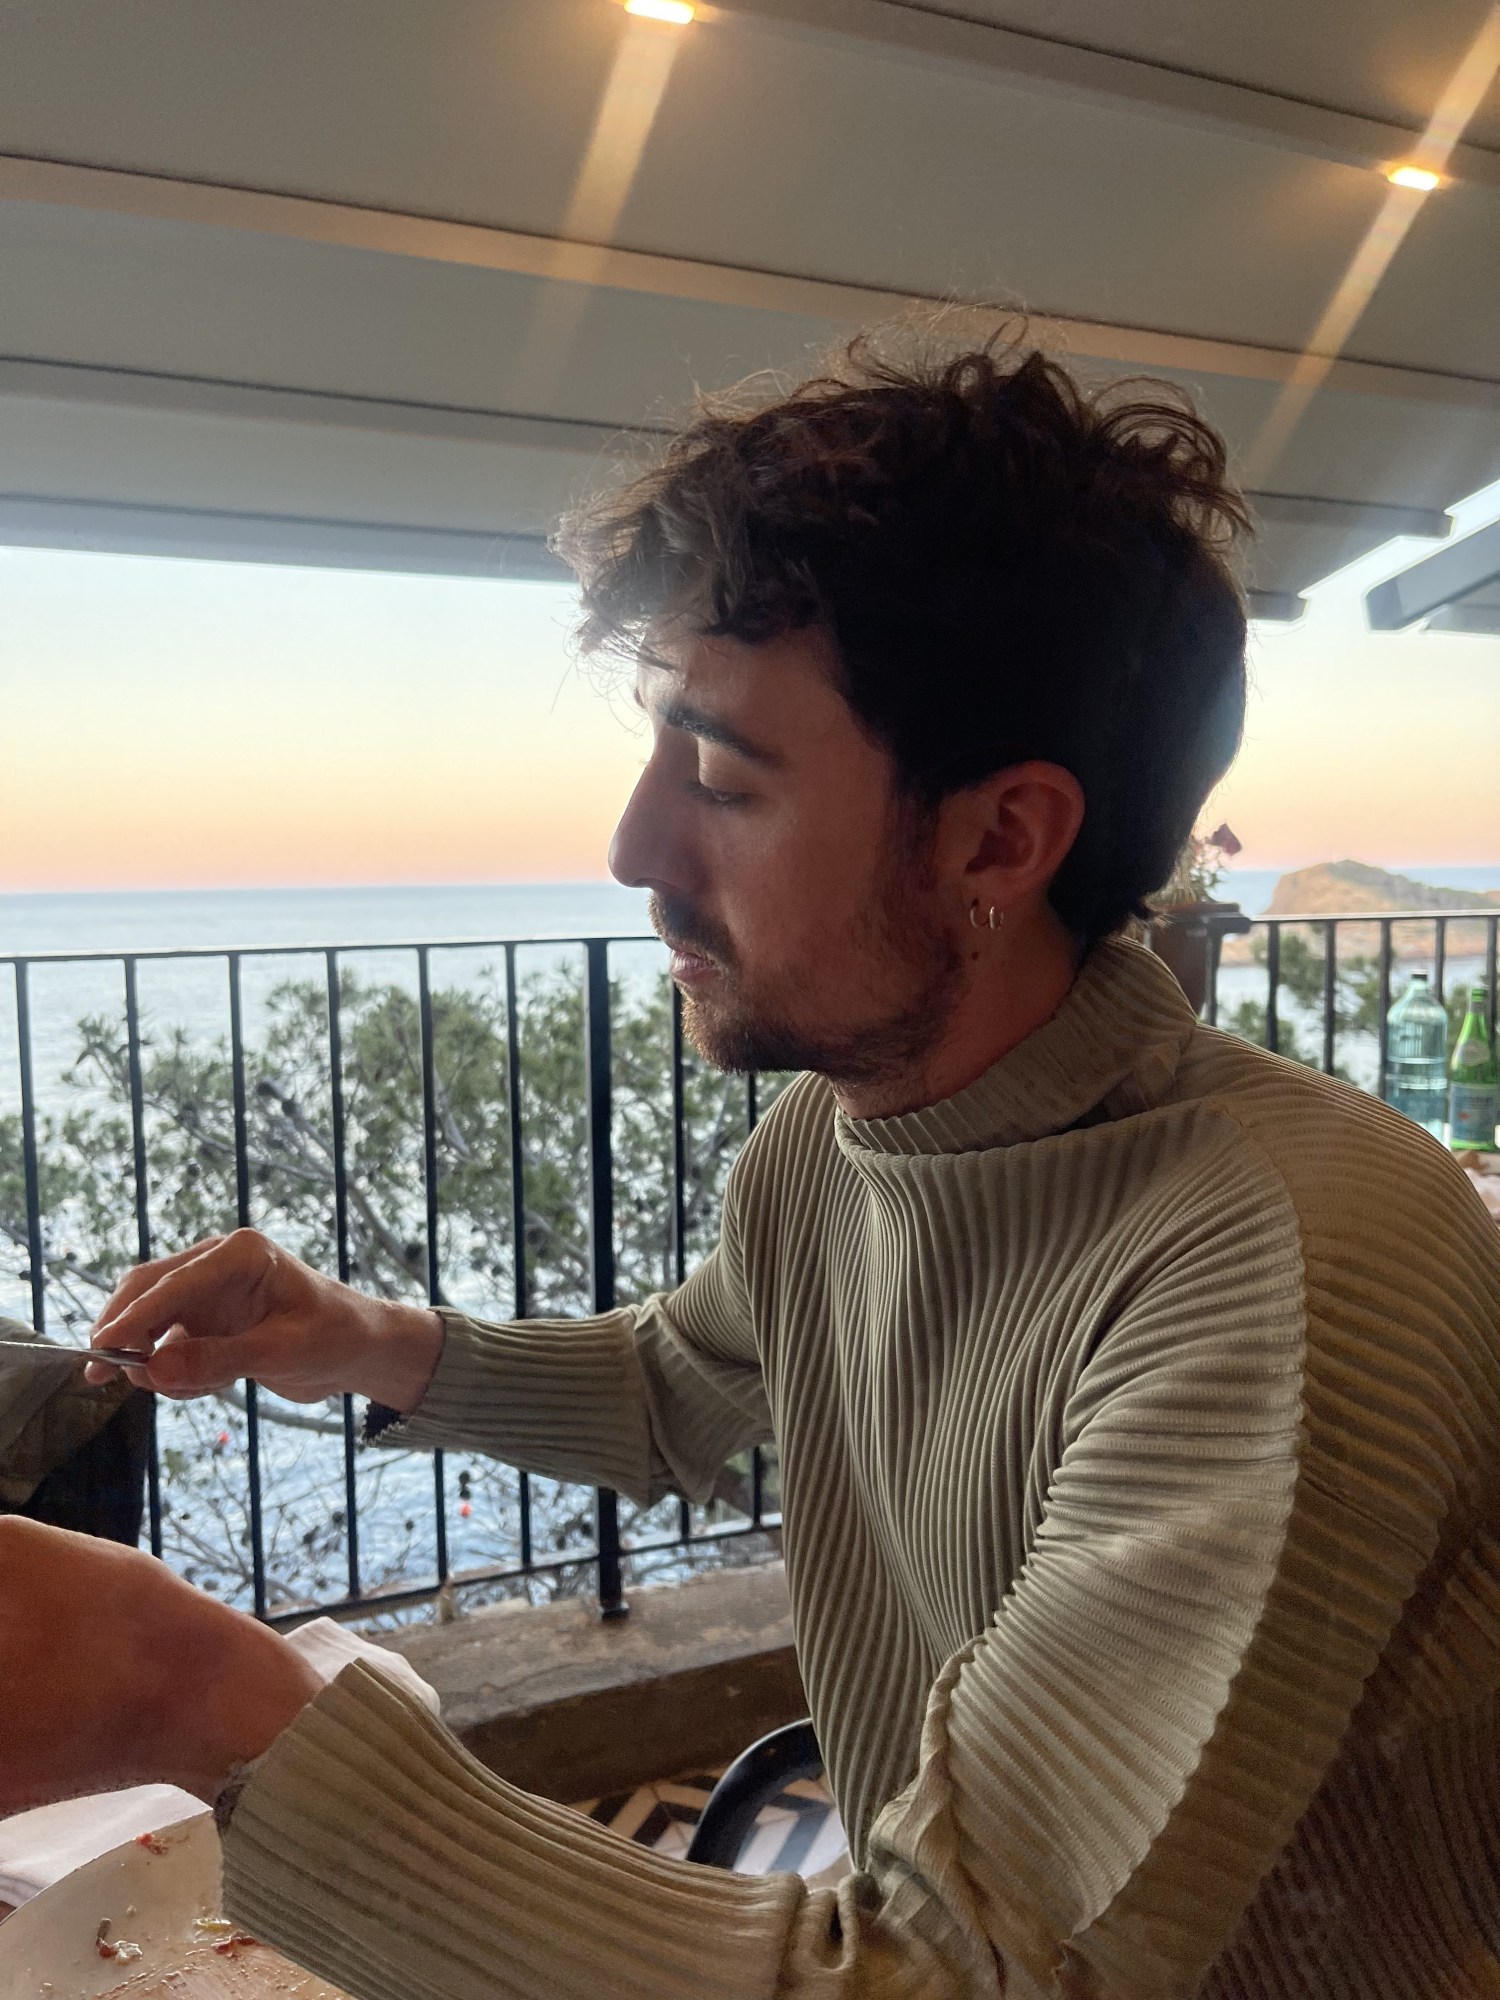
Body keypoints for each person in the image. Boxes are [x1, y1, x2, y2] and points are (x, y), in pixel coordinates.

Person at [2, 329, 1497, 2000]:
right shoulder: (835, 1141)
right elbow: (683, 1385)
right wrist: (355, 1336)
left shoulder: (1287, 1268)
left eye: (722, 777)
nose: (632, 845)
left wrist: (191, 1694)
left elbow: (949, 1978)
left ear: (1000, 838)